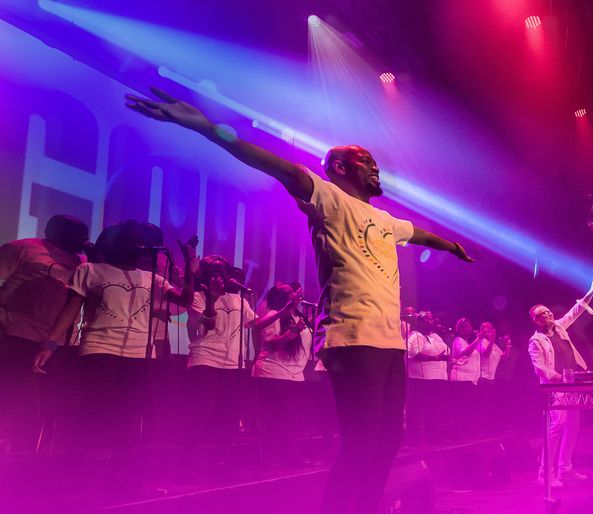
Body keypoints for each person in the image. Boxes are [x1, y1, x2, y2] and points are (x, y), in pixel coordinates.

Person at [126, 87, 474, 514]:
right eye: (369, 162)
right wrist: (207, 128)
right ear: (343, 167)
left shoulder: (385, 220)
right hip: (352, 338)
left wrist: (448, 244)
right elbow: (272, 163)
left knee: (389, 440)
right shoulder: (328, 196)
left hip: (388, 344)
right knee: (363, 440)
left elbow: (417, 233)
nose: (377, 170)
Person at [39, 221, 195, 489]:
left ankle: (120, 476)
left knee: (130, 416)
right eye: (128, 240)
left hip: (138, 352)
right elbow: (70, 310)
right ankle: (72, 476)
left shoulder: (152, 279)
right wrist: (49, 345)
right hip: (99, 348)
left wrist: (191, 269)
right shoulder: (89, 270)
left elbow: (184, 300)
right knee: (93, 412)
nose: (134, 245)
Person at [0, 215, 88, 454]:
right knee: (6, 393)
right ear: (51, 230)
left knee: (47, 403)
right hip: (14, 334)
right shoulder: (22, 248)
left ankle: (32, 452)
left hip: (57, 344)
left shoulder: (83, 263)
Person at [180, 255, 257, 476]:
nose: (219, 277)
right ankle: (187, 466)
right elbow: (207, 325)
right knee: (200, 413)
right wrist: (212, 300)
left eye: (222, 272)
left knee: (229, 415)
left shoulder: (239, 300)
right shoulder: (198, 297)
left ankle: (220, 463)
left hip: (233, 363)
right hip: (205, 358)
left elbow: (255, 322)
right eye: (214, 272)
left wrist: (285, 311)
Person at [527, 277, 593, 488]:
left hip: (572, 384)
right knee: (557, 425)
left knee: (573, 425)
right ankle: (544, 474)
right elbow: (539, 368)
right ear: (536, 319)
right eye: (544, 313)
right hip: (556, 388)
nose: (550, 314)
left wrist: (591, 291)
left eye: (549, 311)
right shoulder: (535, 341)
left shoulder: (560, 328)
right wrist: (560, 378)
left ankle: (564, 469)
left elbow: (575, 312)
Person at [250, 282, 312, 467]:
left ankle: (288, 457)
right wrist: (291, 333)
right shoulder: (273, 316)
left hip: (294, 374)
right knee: (278, 419)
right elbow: (272, 344)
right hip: (273, 372)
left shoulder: (298, 316)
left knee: (289, 419)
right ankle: (271, 459)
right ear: (281, 298)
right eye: (289, 293)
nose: (294, 294)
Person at [405, 311, 450, 445]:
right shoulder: (415, 336)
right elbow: (413, 354)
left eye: (432, 319)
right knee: (417, 409)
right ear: (420, 321)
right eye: (428, 319)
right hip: (420, 379)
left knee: (433, 409)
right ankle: (413, 440)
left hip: (437, 378)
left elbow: (447, 350)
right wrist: (435, 357)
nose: (432, 321)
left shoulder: (435, 336)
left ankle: (432, 438)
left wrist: (441, 355)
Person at [449, 317, 484, 439]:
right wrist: (479, 338)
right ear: (460, 329)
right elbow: (466, 352)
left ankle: (466, 433)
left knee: (468, 408)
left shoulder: (469, 342)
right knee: (461, 408)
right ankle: (458, 434)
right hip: (461, 379)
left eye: (470, 326)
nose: (470, 329)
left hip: (470, 379)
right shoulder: (458, 341)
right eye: (467, 327)